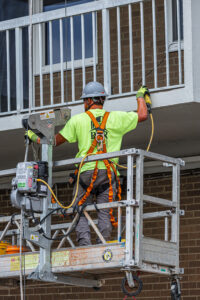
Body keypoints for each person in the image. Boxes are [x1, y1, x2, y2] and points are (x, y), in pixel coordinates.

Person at [27, 82, 150, 246]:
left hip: (86, 173)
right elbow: (142, 115)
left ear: (88, 101)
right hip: (108, 174)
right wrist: (140, 96)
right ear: (102, 99)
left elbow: (53, 141)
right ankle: (102, 245)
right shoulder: (117, 118)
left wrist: (32, 135)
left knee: (79, 210)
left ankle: (84, 245)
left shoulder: (78, 120)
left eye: (84, 101)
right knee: (105, 212)